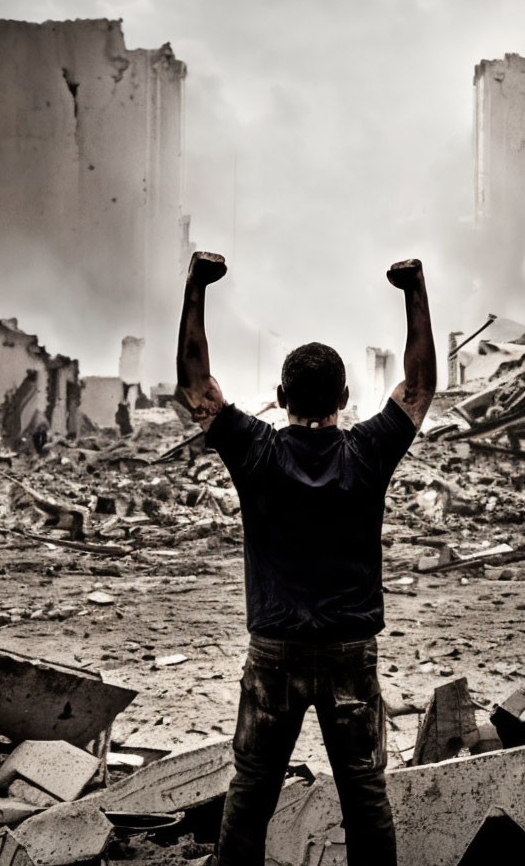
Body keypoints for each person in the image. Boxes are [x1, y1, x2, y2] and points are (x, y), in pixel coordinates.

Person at [176, 252, 436, 866]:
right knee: (365, 793)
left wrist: (196, 287)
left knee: (252, 789)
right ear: (346, 396)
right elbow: (420, 386)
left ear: (279, 396)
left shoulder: (256, 450)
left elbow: (194, 385)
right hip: (350, 652)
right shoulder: (369, 451)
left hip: (274, 653)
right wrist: (415, 290)